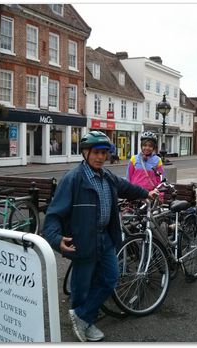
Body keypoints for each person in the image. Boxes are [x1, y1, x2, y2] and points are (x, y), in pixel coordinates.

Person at [42, 130, 158, 342]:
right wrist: (56, 239)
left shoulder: (108, 176)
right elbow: (53, 214)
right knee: (82, 285)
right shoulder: (73, 179)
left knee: (110, 278)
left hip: (105, 237)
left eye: (104, 153)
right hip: (83, 239)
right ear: (85, 153)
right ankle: (84, 319)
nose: (100, 157)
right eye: (96, 152)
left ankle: (82, 317)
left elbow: (127, 187)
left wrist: (145, 193)